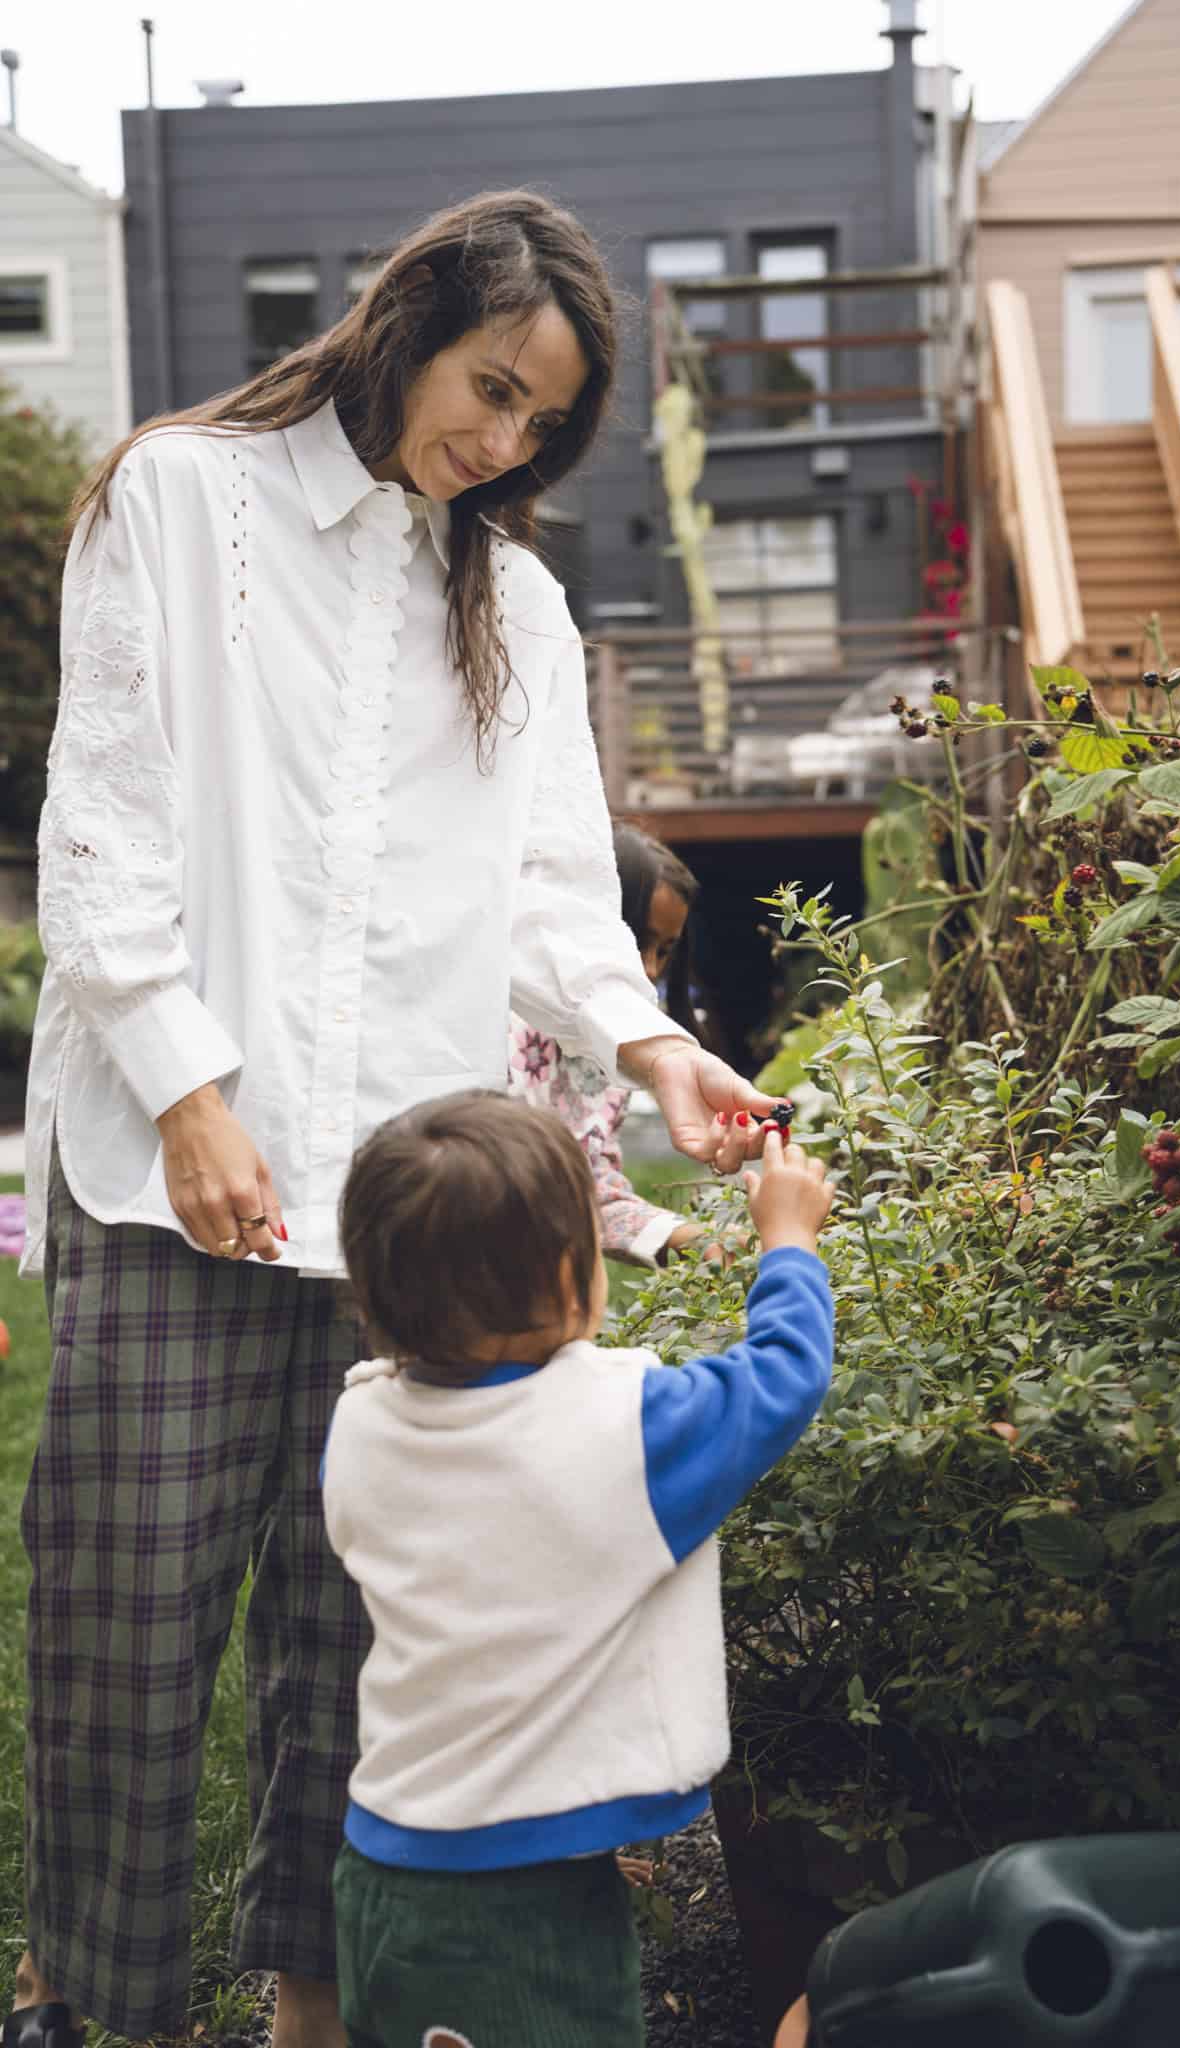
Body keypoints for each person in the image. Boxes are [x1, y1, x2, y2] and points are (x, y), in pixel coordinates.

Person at [8, 191, 778, 2048]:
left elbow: (551, 893)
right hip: (176, 1169)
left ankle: (314, 2002)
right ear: (408, 322)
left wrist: (646, 1048)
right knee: (126, 1615)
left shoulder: (513, 602)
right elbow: (102, 823)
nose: (504, 442)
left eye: (541, 423)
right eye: (492, 388)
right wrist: (190, 1092)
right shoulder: (180, 499)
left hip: (401, 1209)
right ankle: (94, 2003)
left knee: (360, 1634)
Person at [324, 1094, 836, 2048]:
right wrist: (789, 1242)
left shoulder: (358, 1426)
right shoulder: (623, 1436)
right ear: (574, 1279)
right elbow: (783, 1377)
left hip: (381, 1866)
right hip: (519, 1914)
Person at [509, 820, 714, 1265]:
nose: (651, 968)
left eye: (665, 950)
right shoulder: (509, 1022)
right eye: (637, 941)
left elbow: (588, 1191)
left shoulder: (616, 1054)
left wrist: (702, 1242)